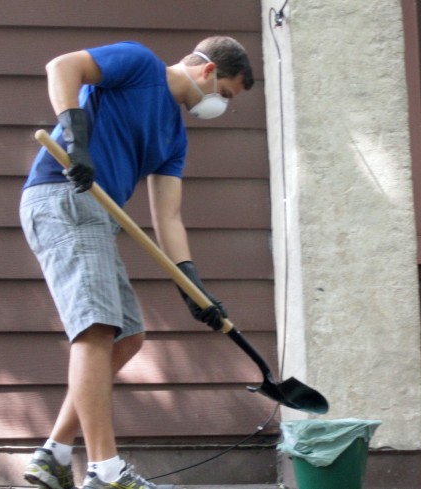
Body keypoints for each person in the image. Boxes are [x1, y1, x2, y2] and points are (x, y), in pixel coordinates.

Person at [19, 36, 254, 489]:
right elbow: (61, 66)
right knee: (97, 328)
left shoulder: (174, 137)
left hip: (96, 218)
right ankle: (106, 473)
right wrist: (76, 141)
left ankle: (54, 454)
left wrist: (193, 288)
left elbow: (168, 216)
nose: (220, 105)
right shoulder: (139, 64)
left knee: (128, 336)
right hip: (64, 196)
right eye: (225, 94)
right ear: (207, 72)